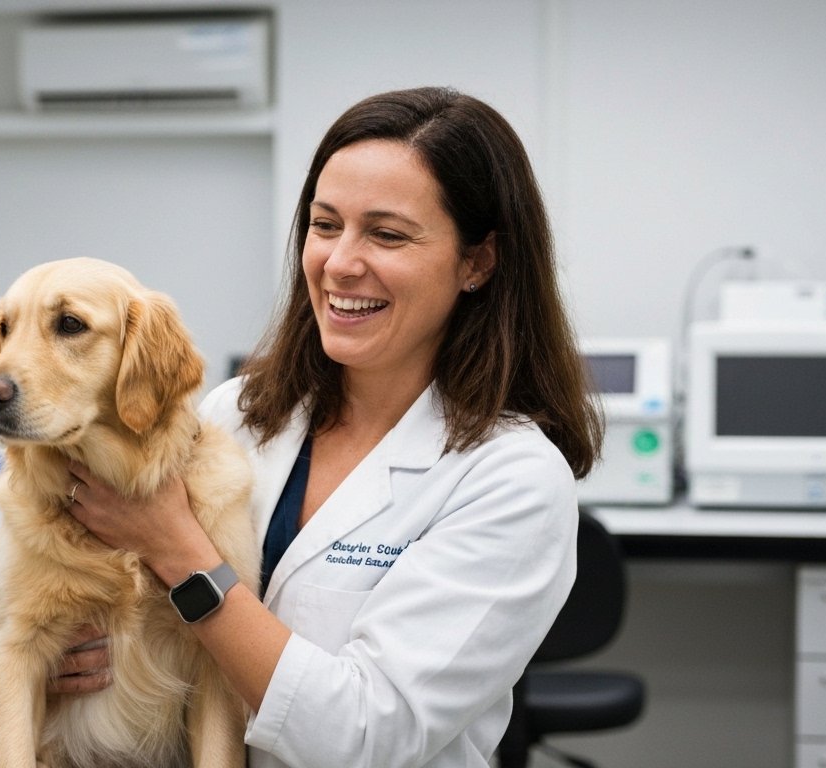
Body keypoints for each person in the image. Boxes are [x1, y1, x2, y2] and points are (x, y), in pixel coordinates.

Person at [58, 86, 603, 768]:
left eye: (387, 233)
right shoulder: (237, 413)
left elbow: (367, 737)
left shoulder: (512, 479)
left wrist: (179, 551)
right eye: (324, 224)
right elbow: (152, 629)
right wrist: (84, 664)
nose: (340, 263)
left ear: (477, 262)